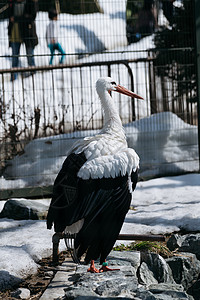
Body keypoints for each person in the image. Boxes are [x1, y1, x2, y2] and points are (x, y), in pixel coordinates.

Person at [8, 0, 38, 81]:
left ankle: (33, 77)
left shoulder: (30, 2)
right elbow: (10, 18)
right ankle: (13, 79)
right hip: (15, 32)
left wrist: (17, 18)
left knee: (30, 56)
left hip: (27, 32)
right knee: (15, 57)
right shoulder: (12, 3)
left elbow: (32, 16)